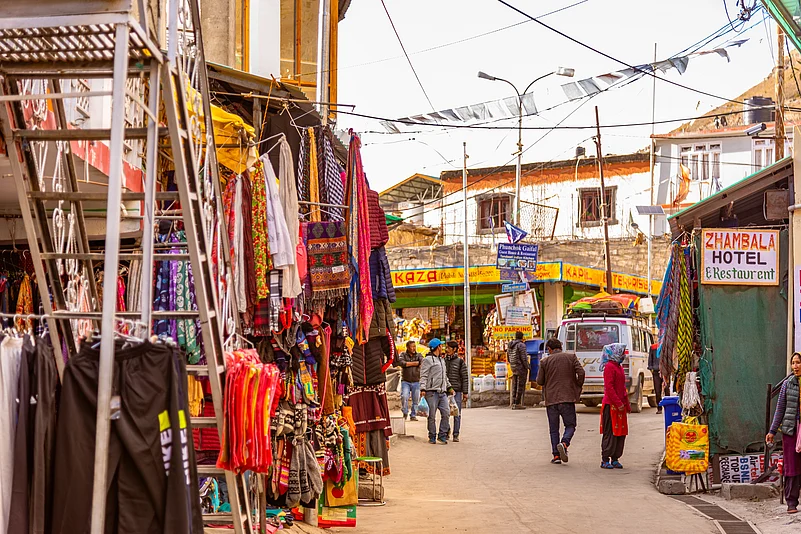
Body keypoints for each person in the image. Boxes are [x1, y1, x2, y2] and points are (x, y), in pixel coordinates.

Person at [537, 338, 585, 464]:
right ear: (561, 347)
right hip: (567, 398)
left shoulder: (544, 361)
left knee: (554, 429)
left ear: (549, 349)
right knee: (570, 425)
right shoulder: (571, 357)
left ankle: (556, 456)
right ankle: (564, 443)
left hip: (551, 399)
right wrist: (577, 385)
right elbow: (581, 372)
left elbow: (539, 381)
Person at [766, 352, 801, 514]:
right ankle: (791, 502)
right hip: (790, 430)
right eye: (793, 363)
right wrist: (772, 431)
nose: (795, 366)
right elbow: (780, 409)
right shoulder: (787, 384)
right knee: (791, 466)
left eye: (798, 362)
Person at [600, 343, 629, 469]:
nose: (623, 355)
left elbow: (622, 387)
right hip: (611, 405)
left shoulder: (619, 367)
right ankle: (605, 459)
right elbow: (609, 388)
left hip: (620, 405)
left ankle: (615, 458)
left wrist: (626, 404)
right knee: (610, 432)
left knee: (620, 433)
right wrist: (618, 403)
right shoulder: (609, 367)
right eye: (621, 352)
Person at [420, 339, 454, 445]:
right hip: (431, 392)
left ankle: (442, 435)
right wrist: (423, 388)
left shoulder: (441, 360)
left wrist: (449, 387)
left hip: (442, 392)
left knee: (446, 413)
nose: (442, 348)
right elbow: (424, 375)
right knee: (432, 416)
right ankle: (432, 436)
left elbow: (444, 376)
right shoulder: (427, 360)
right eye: (441, 346)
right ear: (437, 347)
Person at [445, 340, 469, 442]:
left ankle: (456, 434)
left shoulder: (460, 362)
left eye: (449, 348)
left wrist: (465, 392)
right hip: (445, 391)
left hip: (457, 391)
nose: (446, 350)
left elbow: (465, 377)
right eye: (446, 348)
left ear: (454, 349)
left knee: (456, 413)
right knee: (445, 413)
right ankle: (446, 431)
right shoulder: (443, 361)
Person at [396, 340, 422, 421]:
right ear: (407, 347)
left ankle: (413, 415)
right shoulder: (403, 355)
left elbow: (422, 362)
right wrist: (416, 363)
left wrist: (408, 364)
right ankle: (405, 412)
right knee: (404, 396)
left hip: (416, 381)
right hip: (405, 381)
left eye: (414, 346)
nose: (414, 348)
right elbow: (401, 363)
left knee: (416, 399)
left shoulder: (419, 355)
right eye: (412, 346)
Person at [507, 331, 530, 410]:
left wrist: (512, 364)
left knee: (514, 384)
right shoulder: (521, 345)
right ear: (522, 337)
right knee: (520, 385)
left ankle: (513, 402)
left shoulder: (510, 345)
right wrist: (527, 366)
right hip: (520, 367)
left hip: (513, 367)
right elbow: (524, 358)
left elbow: (508, 358)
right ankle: (517, 403)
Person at [648, 341, 663, 414]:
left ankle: (668, 406)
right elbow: (650, 359)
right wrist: (651, 368)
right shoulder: (653, 347)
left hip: (665, 370)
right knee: (657, 390)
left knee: (666, 389)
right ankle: (659, 407)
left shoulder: (666, 345)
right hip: (656, 371)